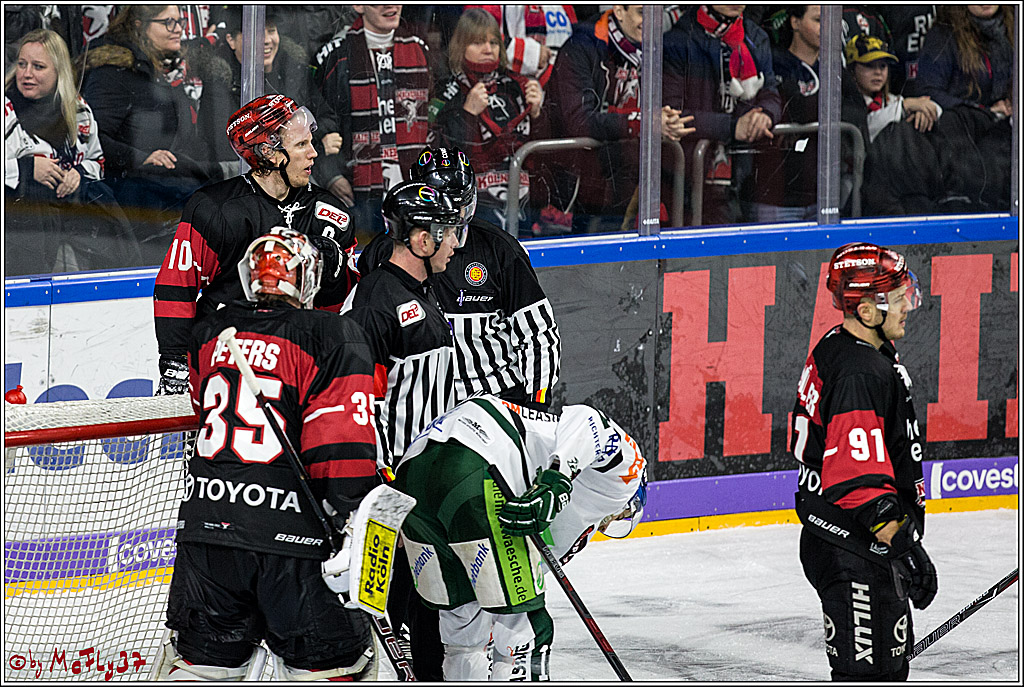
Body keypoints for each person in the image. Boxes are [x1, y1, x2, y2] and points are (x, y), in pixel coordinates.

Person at [358, 146, 561, 679]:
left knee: (484, 559)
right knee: (414, 565)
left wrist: (526, 423)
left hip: (486, 434)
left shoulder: (495, 250)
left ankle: (487, 651)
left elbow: (540, 336)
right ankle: (415, 652)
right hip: (416, 447)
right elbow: (363, 368)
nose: (455, 223)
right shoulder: (386, 264)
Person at [156, 228, 381, 681]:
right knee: (332, 668)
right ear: (309, 278)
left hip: (208, 537)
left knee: (203, 669)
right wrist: (355, 521)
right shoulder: (332, 334)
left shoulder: (210, 333)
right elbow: (339, 450)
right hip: (294, 544)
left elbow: (204, 407)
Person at [391, 394, 648, 681]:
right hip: (480, 460)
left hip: (414, 473)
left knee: (463, 638)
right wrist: (556, 481)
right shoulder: (626, 477)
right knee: (523, 634)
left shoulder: (571, 520)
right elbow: (589, 420)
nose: (610, 522)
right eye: (623, 516)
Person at [791, 242, 937, 681]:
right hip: (855, 551)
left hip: (854, 546)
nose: (908, 305)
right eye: (898, 297)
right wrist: (905, 547)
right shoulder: (860, 371)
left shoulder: (844, 346)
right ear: (868, 310)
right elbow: (858, 483)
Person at [153, 94, 359, 396]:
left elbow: (343, 306)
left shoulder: (332, 213)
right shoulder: (216, 208)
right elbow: (176, 286)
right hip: (225, 363)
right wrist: (176, 363)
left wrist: (335, 275)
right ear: (269, 152)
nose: (314, 153)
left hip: (298, 365)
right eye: (301, 145)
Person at [79, 5, 225, 261]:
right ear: (139, 26)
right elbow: (92, 139)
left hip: (163, 196)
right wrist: (141, 157)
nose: (177, 29)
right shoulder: (112, 73)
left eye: (179, 22)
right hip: (136, 207)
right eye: (168, 22)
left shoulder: (151, 69)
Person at [340, 180, 463, 469]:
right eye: (449, 234)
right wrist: (384, 478)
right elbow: (361, 403)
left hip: (426, 469)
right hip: (397, 474)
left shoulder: (421, 288)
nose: (456, 244)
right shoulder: (374, 305)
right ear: (423, 241)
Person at [545, 5, 693, 234]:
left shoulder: (659, 49)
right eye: (642, 12)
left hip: (630, 180)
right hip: (579, 190)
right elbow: (579, 120)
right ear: (619, 10)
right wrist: (644, 123)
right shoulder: (581, 46)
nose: (652, 21)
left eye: (656, 12)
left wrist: (668, 121)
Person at [4, 28, 142, 275]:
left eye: (38, 67)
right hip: (19, 228)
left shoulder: (79, 110)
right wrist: (27, 169)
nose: (26, 74)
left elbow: (96, 162)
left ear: (59, 72)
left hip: (73, 224)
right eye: (22, 64)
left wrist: (78, 173)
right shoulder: (6, 107)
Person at [312, 5, 431, 239]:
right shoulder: (335, 54)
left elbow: (436, 117)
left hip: (413, 184)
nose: (391, 6)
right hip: (358, 188)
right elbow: (322, 121)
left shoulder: (421, 49)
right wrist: (331, 174)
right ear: (358, 5)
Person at [429, 9, 548, 231]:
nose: (488, 49)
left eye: (494, 42)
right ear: (461, 45)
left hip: (522, 205)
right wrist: (467, 114)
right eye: (477, 42)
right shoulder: (445, 90)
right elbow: (437, 154)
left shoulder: (517, 86)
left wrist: (538, 115)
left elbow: (542, 156)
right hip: (470, 212)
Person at [663, 4, 781, 226]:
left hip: (744, 175)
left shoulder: (756, 36)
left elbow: (771, 94)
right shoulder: (678, 39)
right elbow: (672, 114)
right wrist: (732, 127)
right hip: (690, 180)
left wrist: (765, 114)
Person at [196, 7, 343, 177]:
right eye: (256, 32)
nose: (266, 40)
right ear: (231, 40)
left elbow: (328, 119)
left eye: (271, 31)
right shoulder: (219, 82)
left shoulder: (293, 70)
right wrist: (316, 144)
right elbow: (231, 148)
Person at [744, 5, 821, 223]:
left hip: (821, 197)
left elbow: (854, 115)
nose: (825, 27)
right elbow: (789, 109)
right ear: (795, 22)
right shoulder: (775, 63)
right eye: (817, 20)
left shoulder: (833, 69)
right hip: (774, 195)